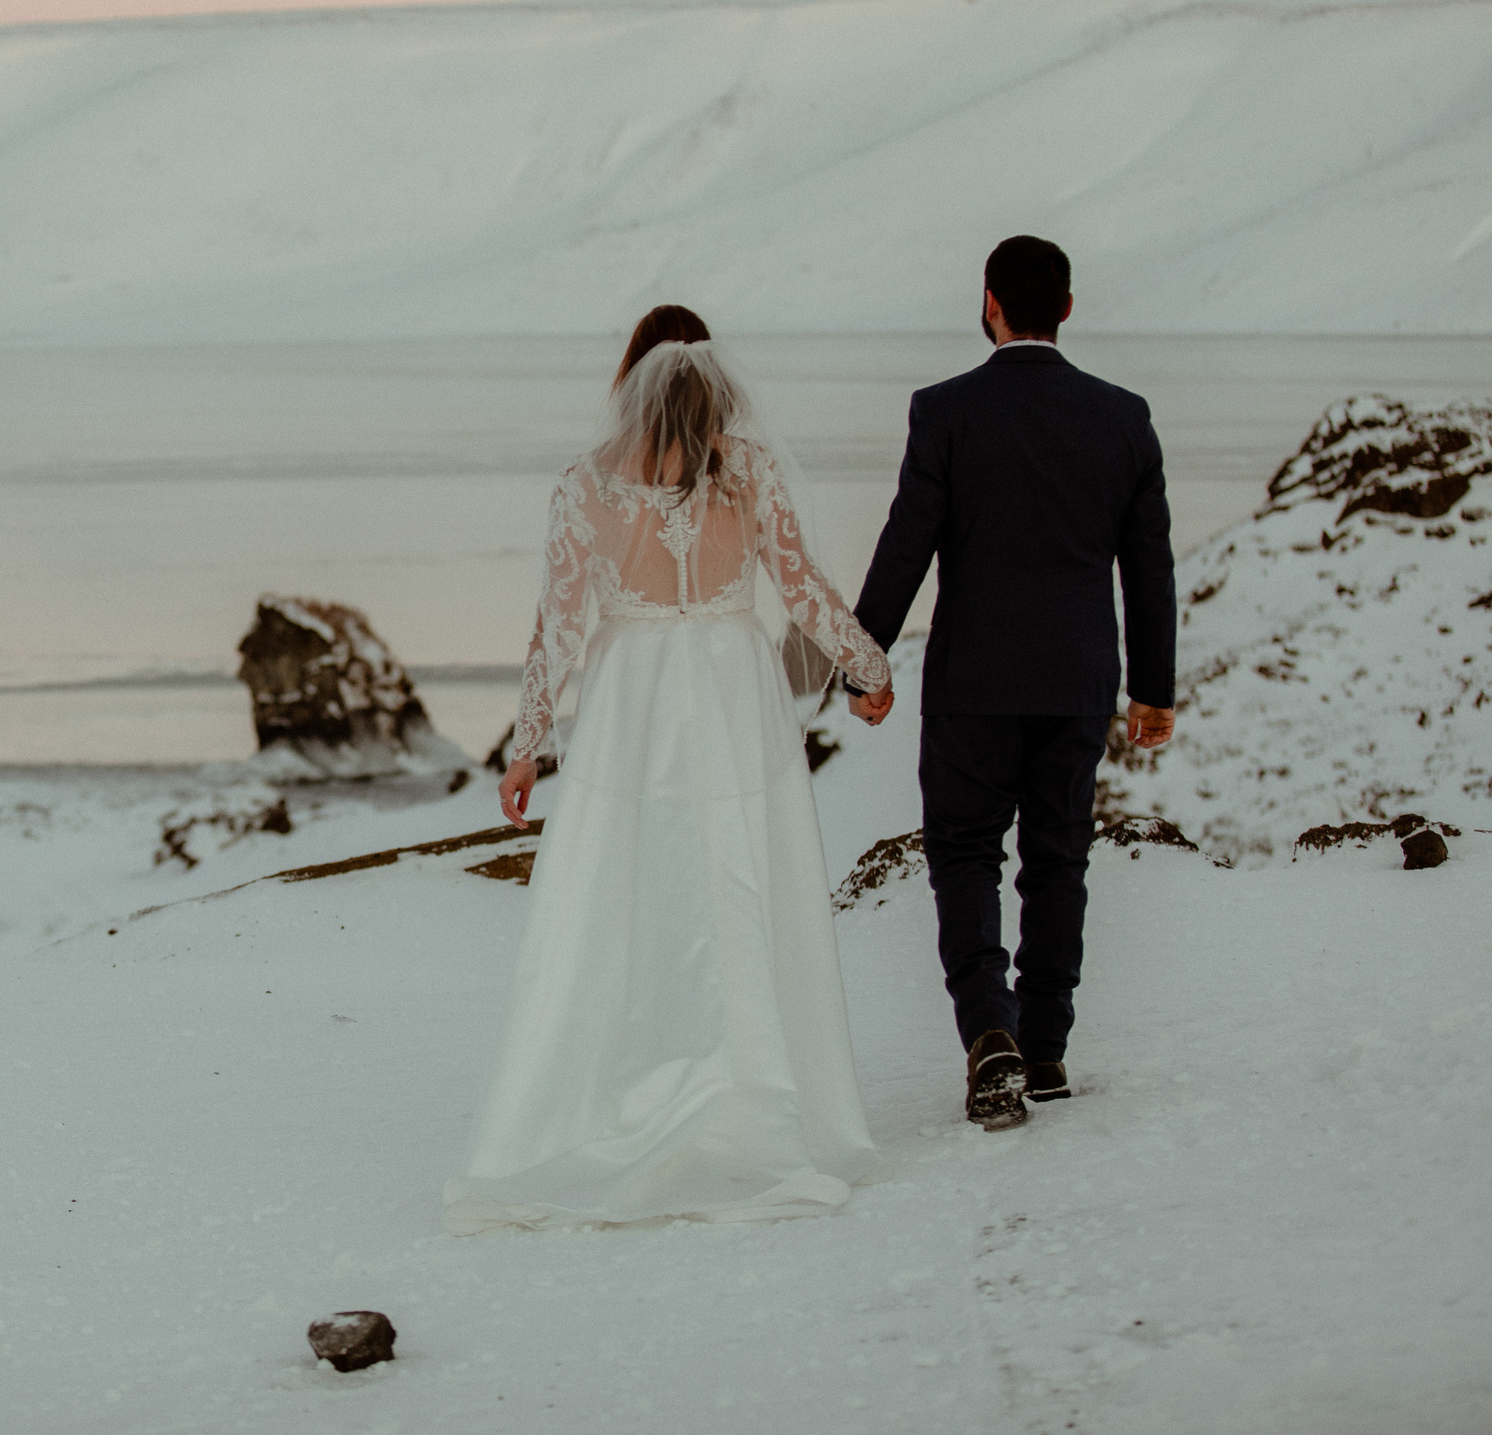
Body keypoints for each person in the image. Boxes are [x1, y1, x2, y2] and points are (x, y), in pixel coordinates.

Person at [444, 306, 895, 1233]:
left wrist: (527, 744)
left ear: (633, 375)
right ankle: (751, 1092)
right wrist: (870, 666)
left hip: (633, 703)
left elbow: (558, 625)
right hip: (732, 694)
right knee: (739, 884)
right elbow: (803, 589)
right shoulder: (747, 471)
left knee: (624, 892)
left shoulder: (587, 483)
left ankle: (620, 1093)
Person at [846, 235, 1176, 1132]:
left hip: (973, 681)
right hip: (1077, 681)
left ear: (990, 302)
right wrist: (1153, 688)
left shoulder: (945, 410)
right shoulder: (1124, 417)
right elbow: (1148, 567)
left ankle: (990, 1032)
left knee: (963, 856)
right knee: (1058, 858)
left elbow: (907, 541)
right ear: (1065, 307)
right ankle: (1047, 1047)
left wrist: (864, 661)